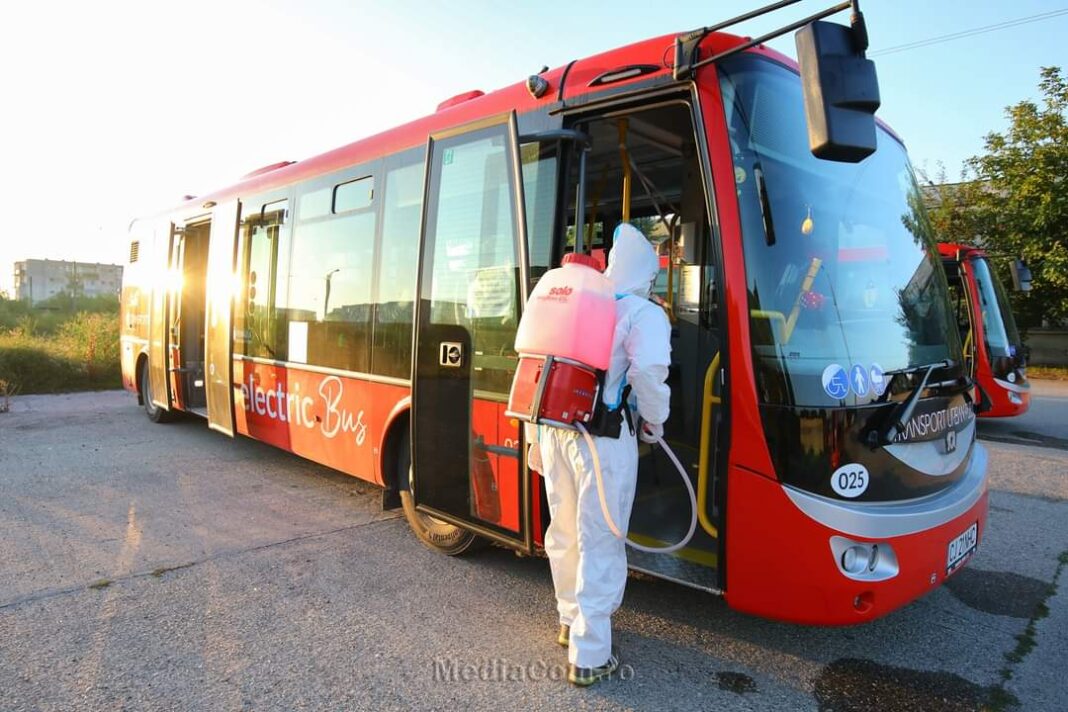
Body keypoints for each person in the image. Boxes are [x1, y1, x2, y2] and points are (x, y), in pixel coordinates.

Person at [531, 222, 672, 687]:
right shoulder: (643, 313)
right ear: (647, 276)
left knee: (564, 530)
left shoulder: (578, 299)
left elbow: (539, 365)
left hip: (553, 430)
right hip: (603, 442)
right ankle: (590, 655)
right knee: (600, 539)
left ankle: (569, 620)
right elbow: (650, 371)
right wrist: (656, 421)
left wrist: (534, 442)